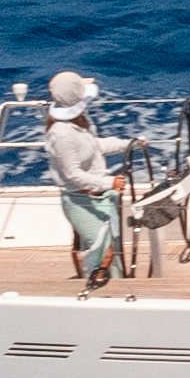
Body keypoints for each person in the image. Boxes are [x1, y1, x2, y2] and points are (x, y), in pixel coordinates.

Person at [42, 73, 138, 290]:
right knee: (103, 254)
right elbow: (73, 175)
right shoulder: (61, 134)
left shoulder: (79, 123)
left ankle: (112, 292)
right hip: (80, 201)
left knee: (110, 251)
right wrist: (109, 183)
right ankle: (99, 294)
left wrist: (128, 144)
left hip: (100, 198)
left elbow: (94, 147)